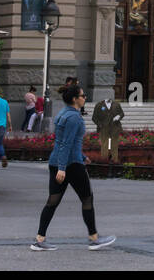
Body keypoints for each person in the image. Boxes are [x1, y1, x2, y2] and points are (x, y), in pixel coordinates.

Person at [30, 84, 115, 251]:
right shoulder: (74, 118)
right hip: (71, 165)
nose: (85, 98)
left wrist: (82, 156)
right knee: (87, 199)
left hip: (57, 162)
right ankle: (94, 238)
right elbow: (66, 143)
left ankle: (39, 240)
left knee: (52, 201)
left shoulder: (63, 113)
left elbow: (63, 141)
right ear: (75, 99)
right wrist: (64, 167)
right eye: (83, 96)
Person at [92, 93, 125, 163]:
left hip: (115, 127)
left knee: (114, 145)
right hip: (104, 128)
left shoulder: (116, 104)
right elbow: (94, 118)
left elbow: (122, 113)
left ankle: (115, 161)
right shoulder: (99, 105)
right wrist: (100, 125)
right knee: (104, 145)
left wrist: (118, 117)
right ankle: (104, 161)